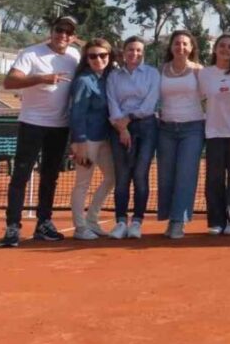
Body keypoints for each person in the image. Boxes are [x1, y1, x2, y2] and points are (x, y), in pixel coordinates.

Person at [1, 16, 81, 247]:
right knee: (21, 176)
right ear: (51, 31)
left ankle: (44, 223)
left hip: (60, 126)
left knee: (50, 177)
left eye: (68, 32)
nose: (63, 35)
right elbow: (10, 82)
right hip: (32, 123)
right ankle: (13, 226)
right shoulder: (31, 53)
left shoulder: (74, 56)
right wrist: (40, 78)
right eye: (59, 30)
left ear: (73, 36)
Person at [106, 36, 159, 240]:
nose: (134, 54)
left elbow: (149, 104)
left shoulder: (152, 74)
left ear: (143, 52)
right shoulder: (114, 76)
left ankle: (136, 222)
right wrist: (121, 128)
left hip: (146, 127)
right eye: (130, 50)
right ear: (124, 51)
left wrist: (128, 119)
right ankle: (120, 222)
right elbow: (112, 103)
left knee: (140, 175)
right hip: (119, 128)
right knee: (122, 177)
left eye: (138, 50)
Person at [155, 30, 205, 239]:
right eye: (177, 43)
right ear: (171, 47)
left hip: (192, 129)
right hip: (165, 129)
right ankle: (169, 217)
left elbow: (209, 99)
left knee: (185, 175)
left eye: (185, 44)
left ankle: (178, 222)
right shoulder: (161, 70)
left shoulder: (199, 71)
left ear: (191, 47)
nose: (180, 47)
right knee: (166, 177)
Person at [198, 33, 230, 236]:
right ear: (215, 48)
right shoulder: (204, 74)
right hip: (214, 132)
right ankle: (216, 221)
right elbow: (198, 99)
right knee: (214, 179)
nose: (226, 49)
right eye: (222, 45)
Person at [68, 38, 116, 240]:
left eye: (103, 55)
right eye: (93, 56)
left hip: (104, 139)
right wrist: (79, 144)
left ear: (109, 56)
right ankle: (80, 227)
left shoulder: (108, 78)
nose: (98, 59)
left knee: (113, 177)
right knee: (82, 183)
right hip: (87, 140)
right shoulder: (83, 81)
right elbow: (76, 113)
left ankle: (92, 221)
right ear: (86, 59)